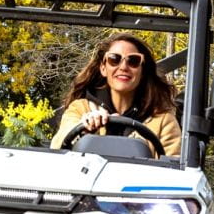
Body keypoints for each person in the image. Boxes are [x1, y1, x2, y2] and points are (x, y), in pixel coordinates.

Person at [50, 33, 181, 156]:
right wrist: (83, 128)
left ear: (143, 71)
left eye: (133, 61)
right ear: (103, 68)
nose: (123, 67)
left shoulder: (163, 120)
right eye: (114, 59)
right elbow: (57, 146)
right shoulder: (80, 108)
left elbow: (174, 167)